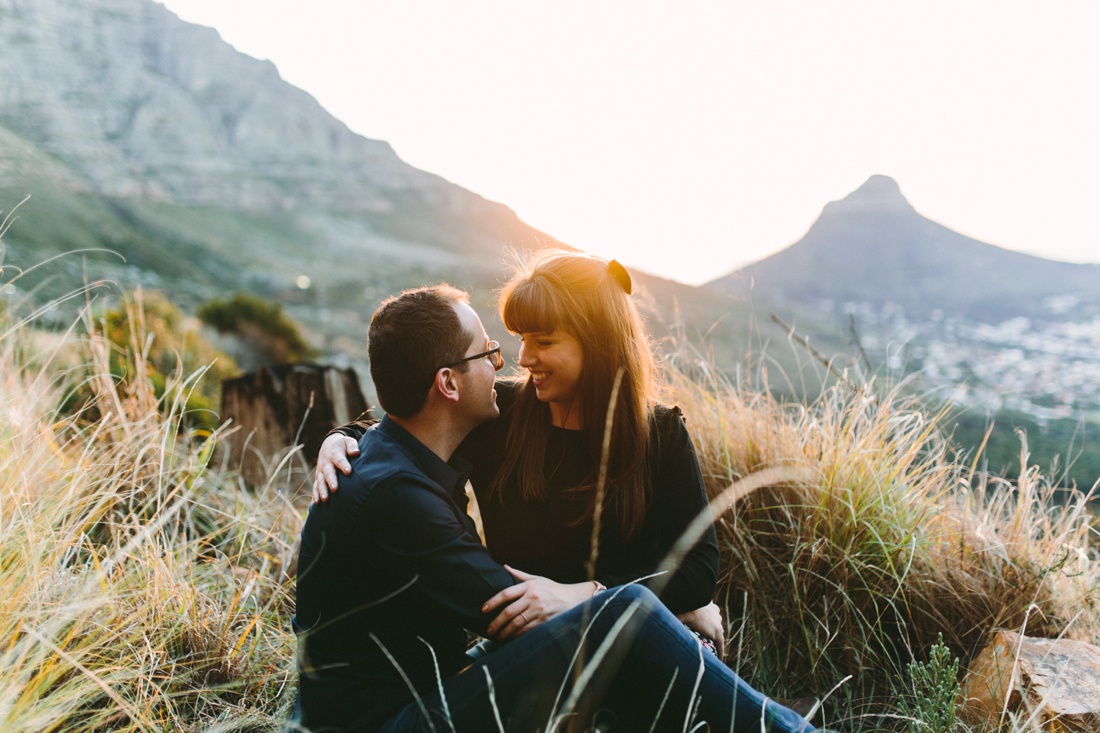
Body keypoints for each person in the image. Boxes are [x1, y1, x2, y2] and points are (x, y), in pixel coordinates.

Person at [290, 283, 819, 732]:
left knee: (628, 629)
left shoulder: (655, 433)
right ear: (448, 382)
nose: (509, 364)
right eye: (492, 353)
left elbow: (401, 418)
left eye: (539, 342)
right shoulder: (415, 481)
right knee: (626, 617)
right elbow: (519, 610)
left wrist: (343, 437)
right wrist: (658, 608)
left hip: (420, 694)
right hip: (397, 718)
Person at [314, 251, 723, 648]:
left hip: (625, 633)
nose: (524, 358)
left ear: (598, 343)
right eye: (522, 339)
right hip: (527, 641)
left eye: (543, 341)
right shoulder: (500, 413)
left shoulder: (661, 434)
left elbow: (697, 570)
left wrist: (589, 595)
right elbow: (415, 423)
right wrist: (341, 437)